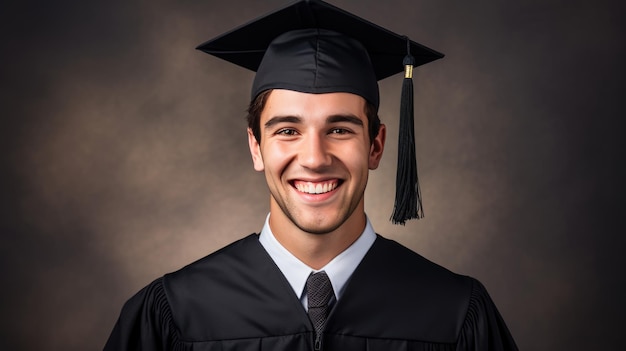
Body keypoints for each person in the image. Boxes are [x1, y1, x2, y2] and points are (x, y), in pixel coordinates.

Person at [104, 1, 518, 350]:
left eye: (339, 130)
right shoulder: (175, 312)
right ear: (255, 147)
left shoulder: (455, 313)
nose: (315, 158)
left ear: (376, 146)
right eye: (287, 131)